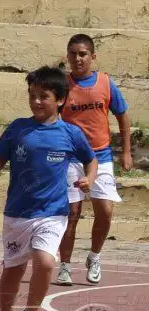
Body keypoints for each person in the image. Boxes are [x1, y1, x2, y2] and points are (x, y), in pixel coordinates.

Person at [0, 66, 97, 311]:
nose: (36, 102)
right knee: (13, 271)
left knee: (45, 263)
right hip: (17, 213)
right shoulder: (18, 128)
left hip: (53, 212)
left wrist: (88, 179)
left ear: (60, 100)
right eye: (32, 95)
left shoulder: (70, 134)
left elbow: (90, 159)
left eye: (43, 96)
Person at [55, 33, 133, 286]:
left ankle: (94, 256)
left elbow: (122, 115)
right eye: (73, 54)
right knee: (72, 213)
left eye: (82, 54)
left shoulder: (105, 83)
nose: (77, 59)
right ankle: (64, 266)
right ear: (67, 56)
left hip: (101, 156)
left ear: (92, 57)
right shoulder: (62, 86)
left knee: (105, 211)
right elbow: (49, 118)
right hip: (70, 159)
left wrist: (126, 151)